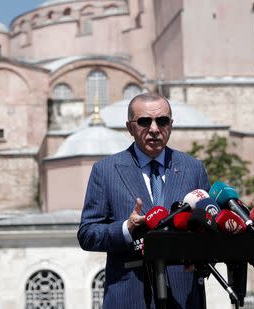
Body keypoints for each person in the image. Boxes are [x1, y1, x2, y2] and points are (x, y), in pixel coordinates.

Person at [78, 93, 210, 309]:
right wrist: (126, 229)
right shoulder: (105, 171)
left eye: (162, 121)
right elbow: (87, 234)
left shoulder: (193, 168)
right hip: (130, 297)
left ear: (171, 125)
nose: (155, 129)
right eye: (144, 121)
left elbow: (208, 224)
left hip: (184, 297)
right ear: (130, 128)